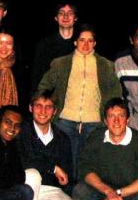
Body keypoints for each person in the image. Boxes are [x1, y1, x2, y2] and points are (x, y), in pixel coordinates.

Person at [37, 23, 122, 189]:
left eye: (90, 41)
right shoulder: (60, 63)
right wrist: (46, 108)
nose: (85, 44)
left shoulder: (106, 65)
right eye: (82, 40)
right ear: (75, 42)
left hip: (94, 123)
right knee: (65, 165)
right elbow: (44, 87)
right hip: (65, 122)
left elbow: (115, 95)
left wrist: (109, 119)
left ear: (95, 43)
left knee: (89, 166)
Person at [17, 90, 79, 200]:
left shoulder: (62, 138)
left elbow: (67, 172)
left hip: (48, 189)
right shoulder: (21, 131)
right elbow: (24, 161)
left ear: (55, 111)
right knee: (31, 174)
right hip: (25, 187)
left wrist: (65, 182)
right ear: (30, 108)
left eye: (48, 107)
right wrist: (53, 168)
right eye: (38, 106)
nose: (43, 111)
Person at [30, 2, 78, 93]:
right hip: (50, 98)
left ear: (75, 18)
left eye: (70, 13)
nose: (65, 16)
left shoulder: (83, 44)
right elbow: (36, 75)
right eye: (61, 13)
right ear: (56, 18)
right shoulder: (44, 44)